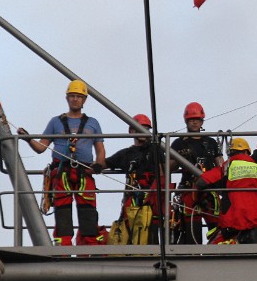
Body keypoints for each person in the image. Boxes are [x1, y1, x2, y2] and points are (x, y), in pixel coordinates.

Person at [17, 79, 107, 246]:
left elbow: (100, 149)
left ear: (84, 100)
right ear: (67, 98)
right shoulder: (55, 122)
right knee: (62, 208)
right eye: (72, 96)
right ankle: (63, 245)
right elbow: (41, 147)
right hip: (62, 172)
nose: (75, 99)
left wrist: (99, 164)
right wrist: (28, 139)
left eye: (78, 96)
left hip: (84, 171)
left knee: (87, 208)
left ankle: (90, 244)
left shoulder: (93, 123)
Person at [195, 137, 257, 243]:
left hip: (235, 221)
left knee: (213, 248)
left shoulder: (227, 166)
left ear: (230, 153)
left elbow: (201, 182)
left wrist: (202, 196)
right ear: (247, 152)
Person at [169, 102, 224, 244]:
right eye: (192, 120)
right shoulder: (179, 143)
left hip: (210, 189)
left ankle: (218, 253)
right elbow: (168, 168)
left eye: (198, 120)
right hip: (189, 189)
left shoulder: (210, 142)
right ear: (186, 121)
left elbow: (221, 164)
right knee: (192, 228)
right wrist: (179, 158)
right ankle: (193, 255)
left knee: (218, 226)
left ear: (202, 121)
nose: (195, 122)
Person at [104, 113, 163, 244]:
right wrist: (91, 165)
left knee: (151, 230)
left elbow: (163, 171)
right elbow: (104, 163)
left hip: (151, 199)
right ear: (131, 131)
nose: (144, 132)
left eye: (146, 129)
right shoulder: (126, 154)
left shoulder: (155, 150)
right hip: (132, 199)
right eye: (140, 128)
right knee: (130, 229)